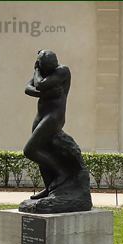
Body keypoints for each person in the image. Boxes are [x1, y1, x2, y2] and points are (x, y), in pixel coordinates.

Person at [24, 50, 72, 200]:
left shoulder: (62, 71)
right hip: (41, 116)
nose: (51, 68)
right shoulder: (44, 72)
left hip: (54, 117)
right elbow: (28, 88)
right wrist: (41, 93)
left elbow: (39, 84)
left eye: (53, 65)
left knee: (30, 150)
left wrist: (37, 70)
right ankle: (50, 188)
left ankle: (61, 172)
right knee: (41, 150)